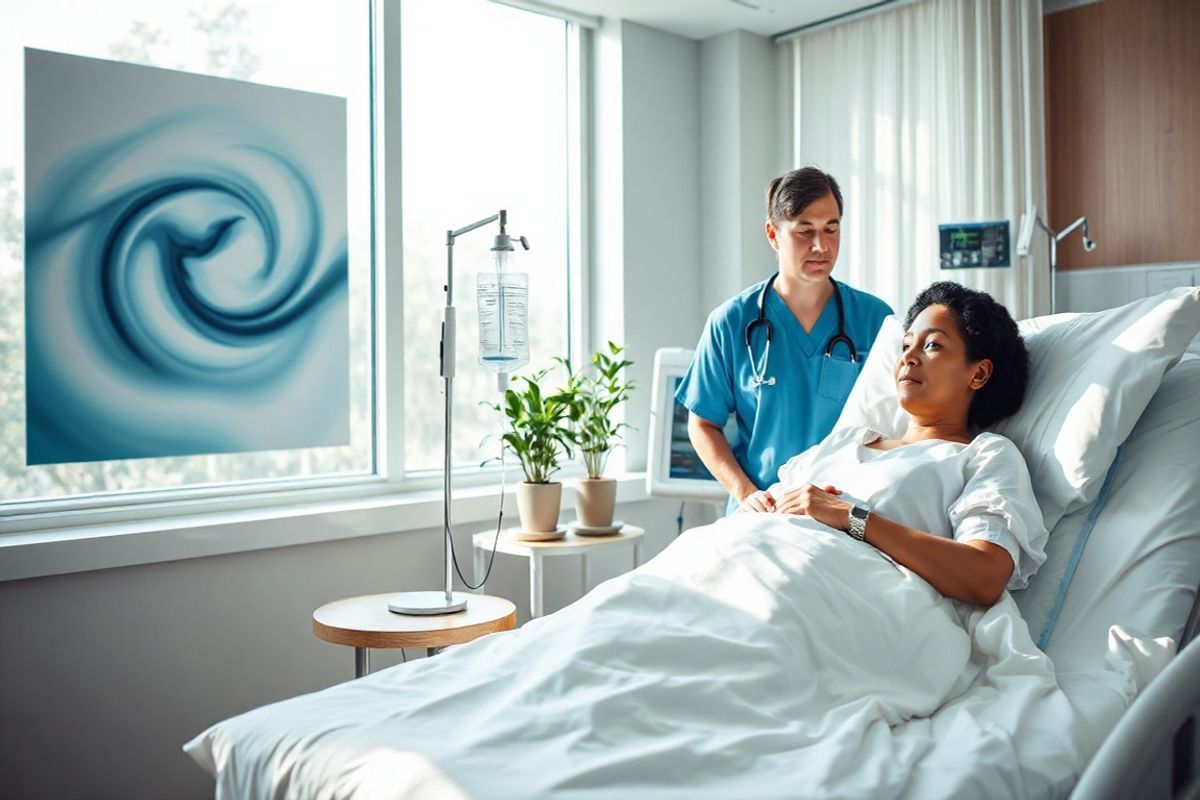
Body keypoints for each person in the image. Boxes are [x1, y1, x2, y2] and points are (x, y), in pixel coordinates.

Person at [747, 281, 1043, 606]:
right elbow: (778, 501)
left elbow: (984, 576)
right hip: (743, 564)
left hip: (819, 600)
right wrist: (755, 507)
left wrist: (852, 517)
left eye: (932, 346)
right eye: (905, 346)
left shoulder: (983, 457)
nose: (908, 358)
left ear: (978, 374)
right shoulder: (846, 441)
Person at [676, 166, 892, 516]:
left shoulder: (875, 320)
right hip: (762, 511)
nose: (821, 245)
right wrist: (745, 493)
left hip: (842, 511)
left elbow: (894, 421)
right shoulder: (731, 323)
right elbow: (703, 424)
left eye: (831, 229)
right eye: (804, 231)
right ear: (773, 235)